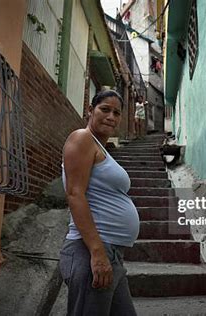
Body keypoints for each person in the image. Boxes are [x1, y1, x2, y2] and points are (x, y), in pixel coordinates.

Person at [59, 89, 140, 315]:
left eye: (116, 112)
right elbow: (75, 194)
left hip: (111, 254)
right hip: (91, 251)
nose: (111, 117)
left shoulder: (100, 148)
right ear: (90, 111)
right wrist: (97, 252)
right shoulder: (81, 138)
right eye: (104, 109)